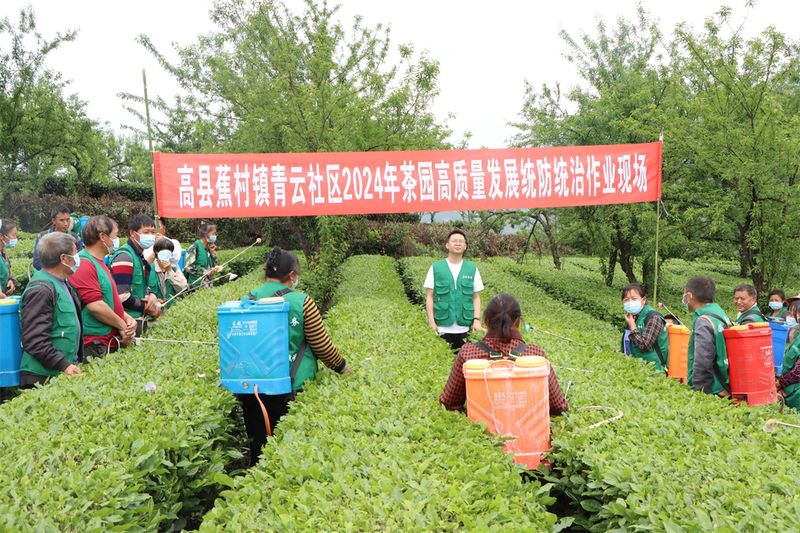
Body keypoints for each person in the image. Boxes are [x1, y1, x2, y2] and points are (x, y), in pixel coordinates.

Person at [239, 247, 352, 464]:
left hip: (254, 388)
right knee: (291, 454)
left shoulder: (248, 299)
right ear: (292, 275)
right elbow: (322, 346)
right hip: (293, 387)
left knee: (260, 449)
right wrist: (342, 367)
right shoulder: (302, 301)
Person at [440, 293, 569, 414]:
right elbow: (558, 406)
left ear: (486, 320)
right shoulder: (535, 354)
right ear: (518, 322)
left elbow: (449, 403)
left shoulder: (468, 353)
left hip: (485, 432)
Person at [18, 233, 83, 387]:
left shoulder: (62, 282)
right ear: (64, 258)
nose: (78, 257)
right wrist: (64, 365)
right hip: (41, 378)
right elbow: (34, 340)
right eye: (75, 252)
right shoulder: (41, 290)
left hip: (60, 373)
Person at [69, 216, 137, 358]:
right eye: (115, 236)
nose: (116, 240)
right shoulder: (84, 264)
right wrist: (122, 326)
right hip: (95, 343)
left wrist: (126, 318)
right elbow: (96, 306)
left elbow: (108, 299)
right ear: (102, 237)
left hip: (106, 340)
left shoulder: (99, 262)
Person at [424, 229, 484, 351]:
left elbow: (476, 297)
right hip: (442, 327)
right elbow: (429, 296)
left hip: (465, 327)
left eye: (461, 241)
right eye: (454, 241)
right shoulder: (436, 267)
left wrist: (476, 320)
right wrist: (431, 322)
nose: (458, 243)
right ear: (447, 245)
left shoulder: (472, 269)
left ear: (465, 246)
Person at [111, 214, 161, 335]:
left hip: (139, 320)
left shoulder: (139, 256)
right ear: (133, 234)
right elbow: (121, 296)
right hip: (127, 324)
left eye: (152, 232)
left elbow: (142, 286)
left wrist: (151, 295)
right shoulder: (125, 257)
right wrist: (147, 308)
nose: (150, 236)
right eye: (146, 232)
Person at [685, 277, 733, 396]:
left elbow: (703, 360)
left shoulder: (703, 320)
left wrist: (699, 392)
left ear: (689, 296)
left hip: (713, 389)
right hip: (724, 384)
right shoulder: (719, 313)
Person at [620, 283, 669, 374]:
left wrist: (633, 327)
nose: (630, 302)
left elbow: (644, 345)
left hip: (654, 371)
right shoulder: (632, 318)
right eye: (626, 300)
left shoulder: (654, 318)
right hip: (636, 369)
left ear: (643, 300)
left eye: (634, 299)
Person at [32, 204, 83, 270]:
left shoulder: (75, 238)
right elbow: (37, 262)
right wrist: (55, 272)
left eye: (68, 220)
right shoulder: (42, 237)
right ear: (54, 221)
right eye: (62, 220)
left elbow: (80, 259)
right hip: (49, 275)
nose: (66, 224)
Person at [147, 238, 188, 309]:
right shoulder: (149, 268)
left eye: (168, 253)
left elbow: (183, 288)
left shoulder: (174, 268)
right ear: (156, 253)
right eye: (163, 253)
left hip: (173, 311)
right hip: (153, 312)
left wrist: (170, 271)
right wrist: (154, 299)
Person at [776, 301, 800, 410]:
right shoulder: (796, 336)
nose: (789, 317)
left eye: (793, 314)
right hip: (789, 392)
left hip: (796, 394)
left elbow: (797, 372)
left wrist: (780, 383)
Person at [184, 221, 222, 288]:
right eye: (213, 234)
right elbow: (188, 266)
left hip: (208, 284)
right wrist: (204, 271)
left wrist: (213, 254)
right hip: (196, 286)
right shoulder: (194, 247)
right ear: (205, 234)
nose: (215, 236)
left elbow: (216, 265)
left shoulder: (208, 248)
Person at [0, 219, 18, 298]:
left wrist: (10, 280)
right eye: (13, 235)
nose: (15, 238)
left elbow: (7, 271)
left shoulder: (3, 252)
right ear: (1, 236)